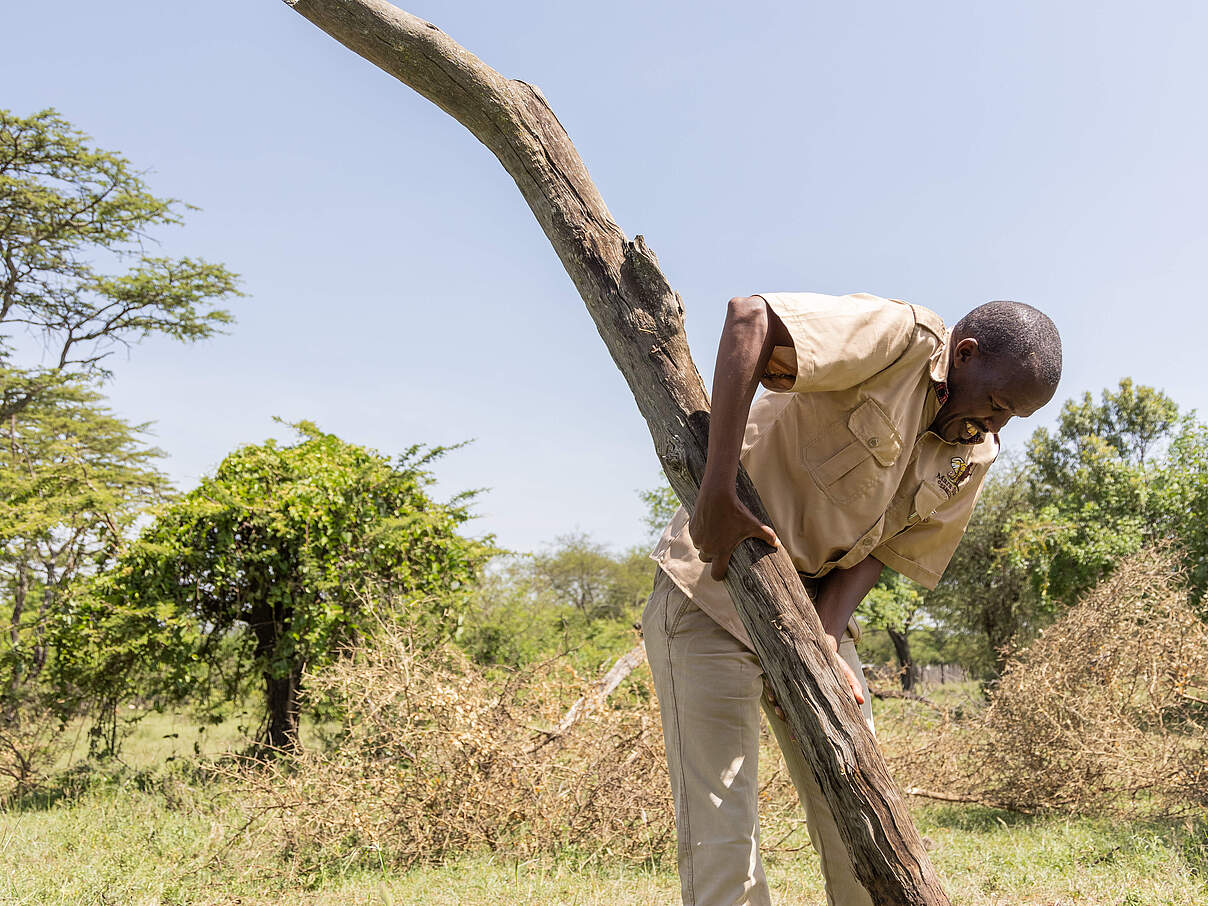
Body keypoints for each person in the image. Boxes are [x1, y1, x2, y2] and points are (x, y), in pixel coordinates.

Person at [643, 291, 1061, 906]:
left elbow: (891, 546)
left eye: (1013, 417)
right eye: (998, 403)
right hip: (710, 590)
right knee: (722, 838)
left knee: (859, 812)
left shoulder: (974, 450)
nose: (997, 425)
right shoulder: (898, 340)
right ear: (965, 355)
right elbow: (750, 319)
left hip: (812, 616)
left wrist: (828, 637)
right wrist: (718, 489)